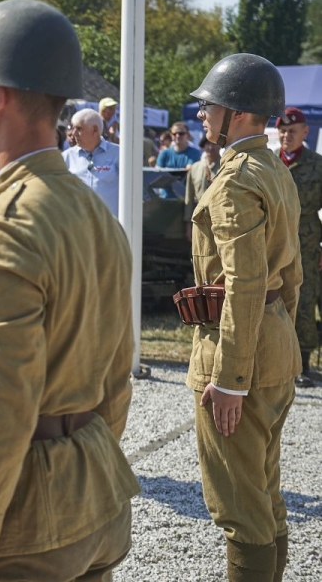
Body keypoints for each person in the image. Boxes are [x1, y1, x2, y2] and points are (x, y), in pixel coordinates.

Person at [0, 0, 140, 582]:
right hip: (94, 497)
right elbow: (116, 379)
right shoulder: (94, 214)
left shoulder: (6, 228)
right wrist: (86, 465)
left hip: (28, 527)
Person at [189, 53, 301, 581]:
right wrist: (284, 335)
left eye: (209, 105)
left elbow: (244, 281)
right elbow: (291, 274)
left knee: (241, 505)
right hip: (271, 342)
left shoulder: (236, 179)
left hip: (238, 352)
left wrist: (231, 379)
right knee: (265, 493)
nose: (202, 114)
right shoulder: (274, 168)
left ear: (235, 113)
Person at [275, 107, 322, 388]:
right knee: (274, 298)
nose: (286, 136)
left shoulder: (317, 165)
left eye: (292, 131)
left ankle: (303, 363)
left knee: (304, 300)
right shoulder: (270, 163)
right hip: (275, 241)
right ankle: (277, 362)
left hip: (307, 243)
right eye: (282, 131)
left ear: (305, 132)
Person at [62, 108, 121, 217]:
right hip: (78, 224)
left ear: (94, 130)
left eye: (79, 129)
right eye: (73, 128)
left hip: (109, 224)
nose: (74, 133)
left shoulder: (119, 154)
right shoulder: (66, 157)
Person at [183, 136, 220, 240]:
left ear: (220, 146)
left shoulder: (226, 167)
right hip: (200, 220)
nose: (210, 147)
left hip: (220, 219)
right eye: (207, 144)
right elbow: (189, 198)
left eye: (214, 144)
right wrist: (188, 225)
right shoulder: (195, 168)